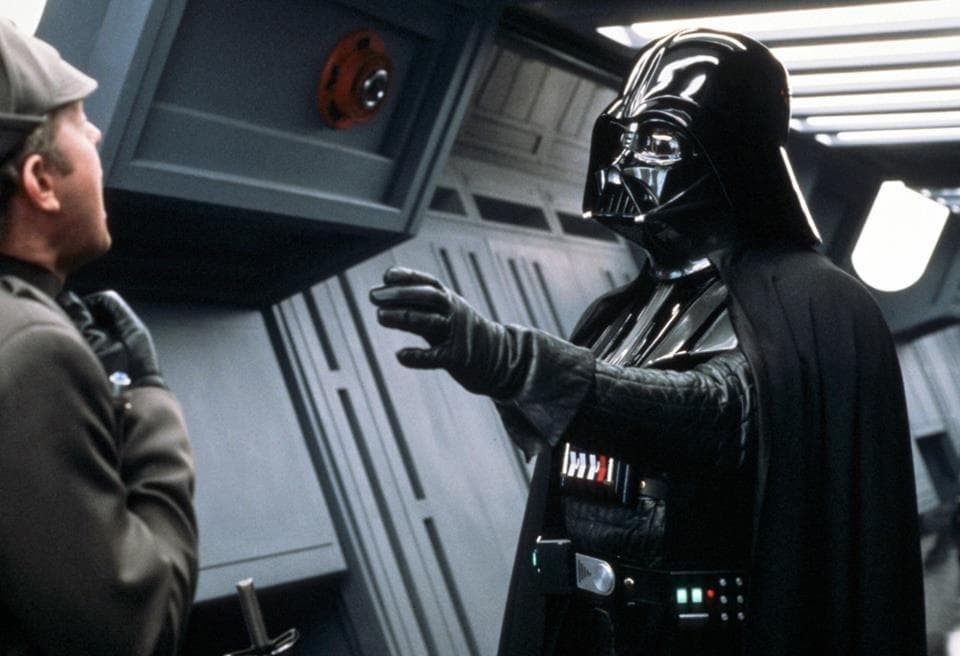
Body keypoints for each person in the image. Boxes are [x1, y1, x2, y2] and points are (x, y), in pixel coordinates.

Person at [370, 28, 925, 656]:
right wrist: (509, 379)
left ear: (733, 154)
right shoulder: (615, 313)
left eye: (659, 141)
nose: (625, 164)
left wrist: (516, 362)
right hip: (581, 624)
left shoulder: (816, 306)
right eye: (621, 139)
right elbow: (564, 443)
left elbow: (718, 414)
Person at [0, 19, 197, 655]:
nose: (97, 134)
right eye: (78, 121)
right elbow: (139, 632)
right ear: (41, 181)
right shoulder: (31, 349)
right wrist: (147, 398)